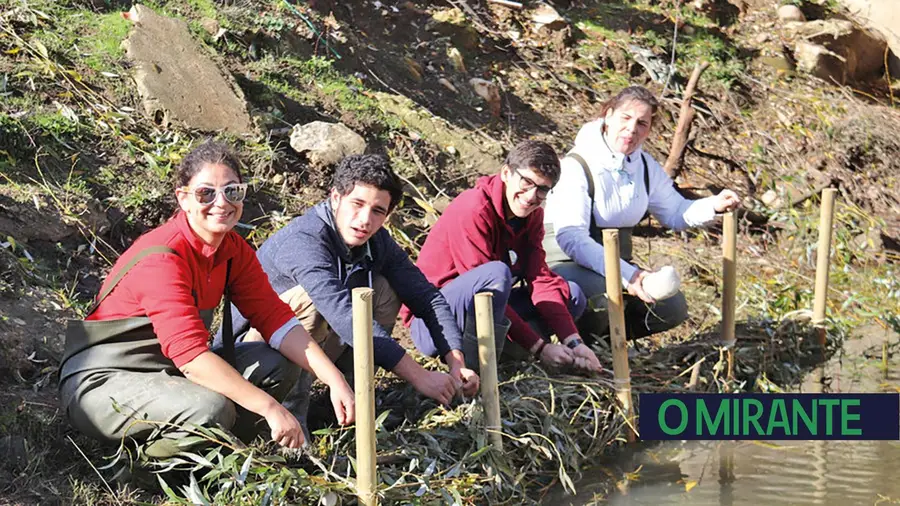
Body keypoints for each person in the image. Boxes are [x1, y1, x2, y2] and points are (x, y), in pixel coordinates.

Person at [59, 141, 354, 457]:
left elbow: (276, 318)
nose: (221, 203)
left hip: (168, 372)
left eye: (233, 192)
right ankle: (136, 468)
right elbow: (189, 357)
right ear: (182, 198)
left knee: (278, 365)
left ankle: (217, 455)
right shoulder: (162, 256)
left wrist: (334, 379)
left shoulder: (233, 250)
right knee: (210, 408)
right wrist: (270, 407)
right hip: (105, 381)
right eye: (206, 194)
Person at [223, 154, 479, 434]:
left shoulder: (376, 240)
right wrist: (418, 376)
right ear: (335, 197)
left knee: (382, 291)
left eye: (378, 211)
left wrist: (456, 362)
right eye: (357, 204)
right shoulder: (304, 241)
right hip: (254, 356)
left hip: (316, 348)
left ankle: (350, 401)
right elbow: (343, 315)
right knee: (311, 302)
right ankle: (291, 421)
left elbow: (426, 296)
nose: (364, 220)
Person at [543, 85, 741, 341]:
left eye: (642, 123)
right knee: (603, 297)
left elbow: (675, 211)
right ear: (609, 115)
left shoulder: (645, 166)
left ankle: (611, 345)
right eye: (625, 118)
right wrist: (627, 275)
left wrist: (713, 205)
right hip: (567, 261)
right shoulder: (576, 165)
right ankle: (576, 348)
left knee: (670, 306)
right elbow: (572, 239)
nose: (632, 129)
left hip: (617, 263)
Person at [403, 140, 603, 374]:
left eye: (542, 189)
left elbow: (540, 278)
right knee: (496, 274)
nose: (531, 196)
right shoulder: (473, 208)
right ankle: (482, 362)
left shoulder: (532, 216)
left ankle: (511, 356)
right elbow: (486, 289)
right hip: (435, 322)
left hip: (488, 310)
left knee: (572, 295)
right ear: (507, 173)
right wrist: (539, 347)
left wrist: (573, 341)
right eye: (526, 182)